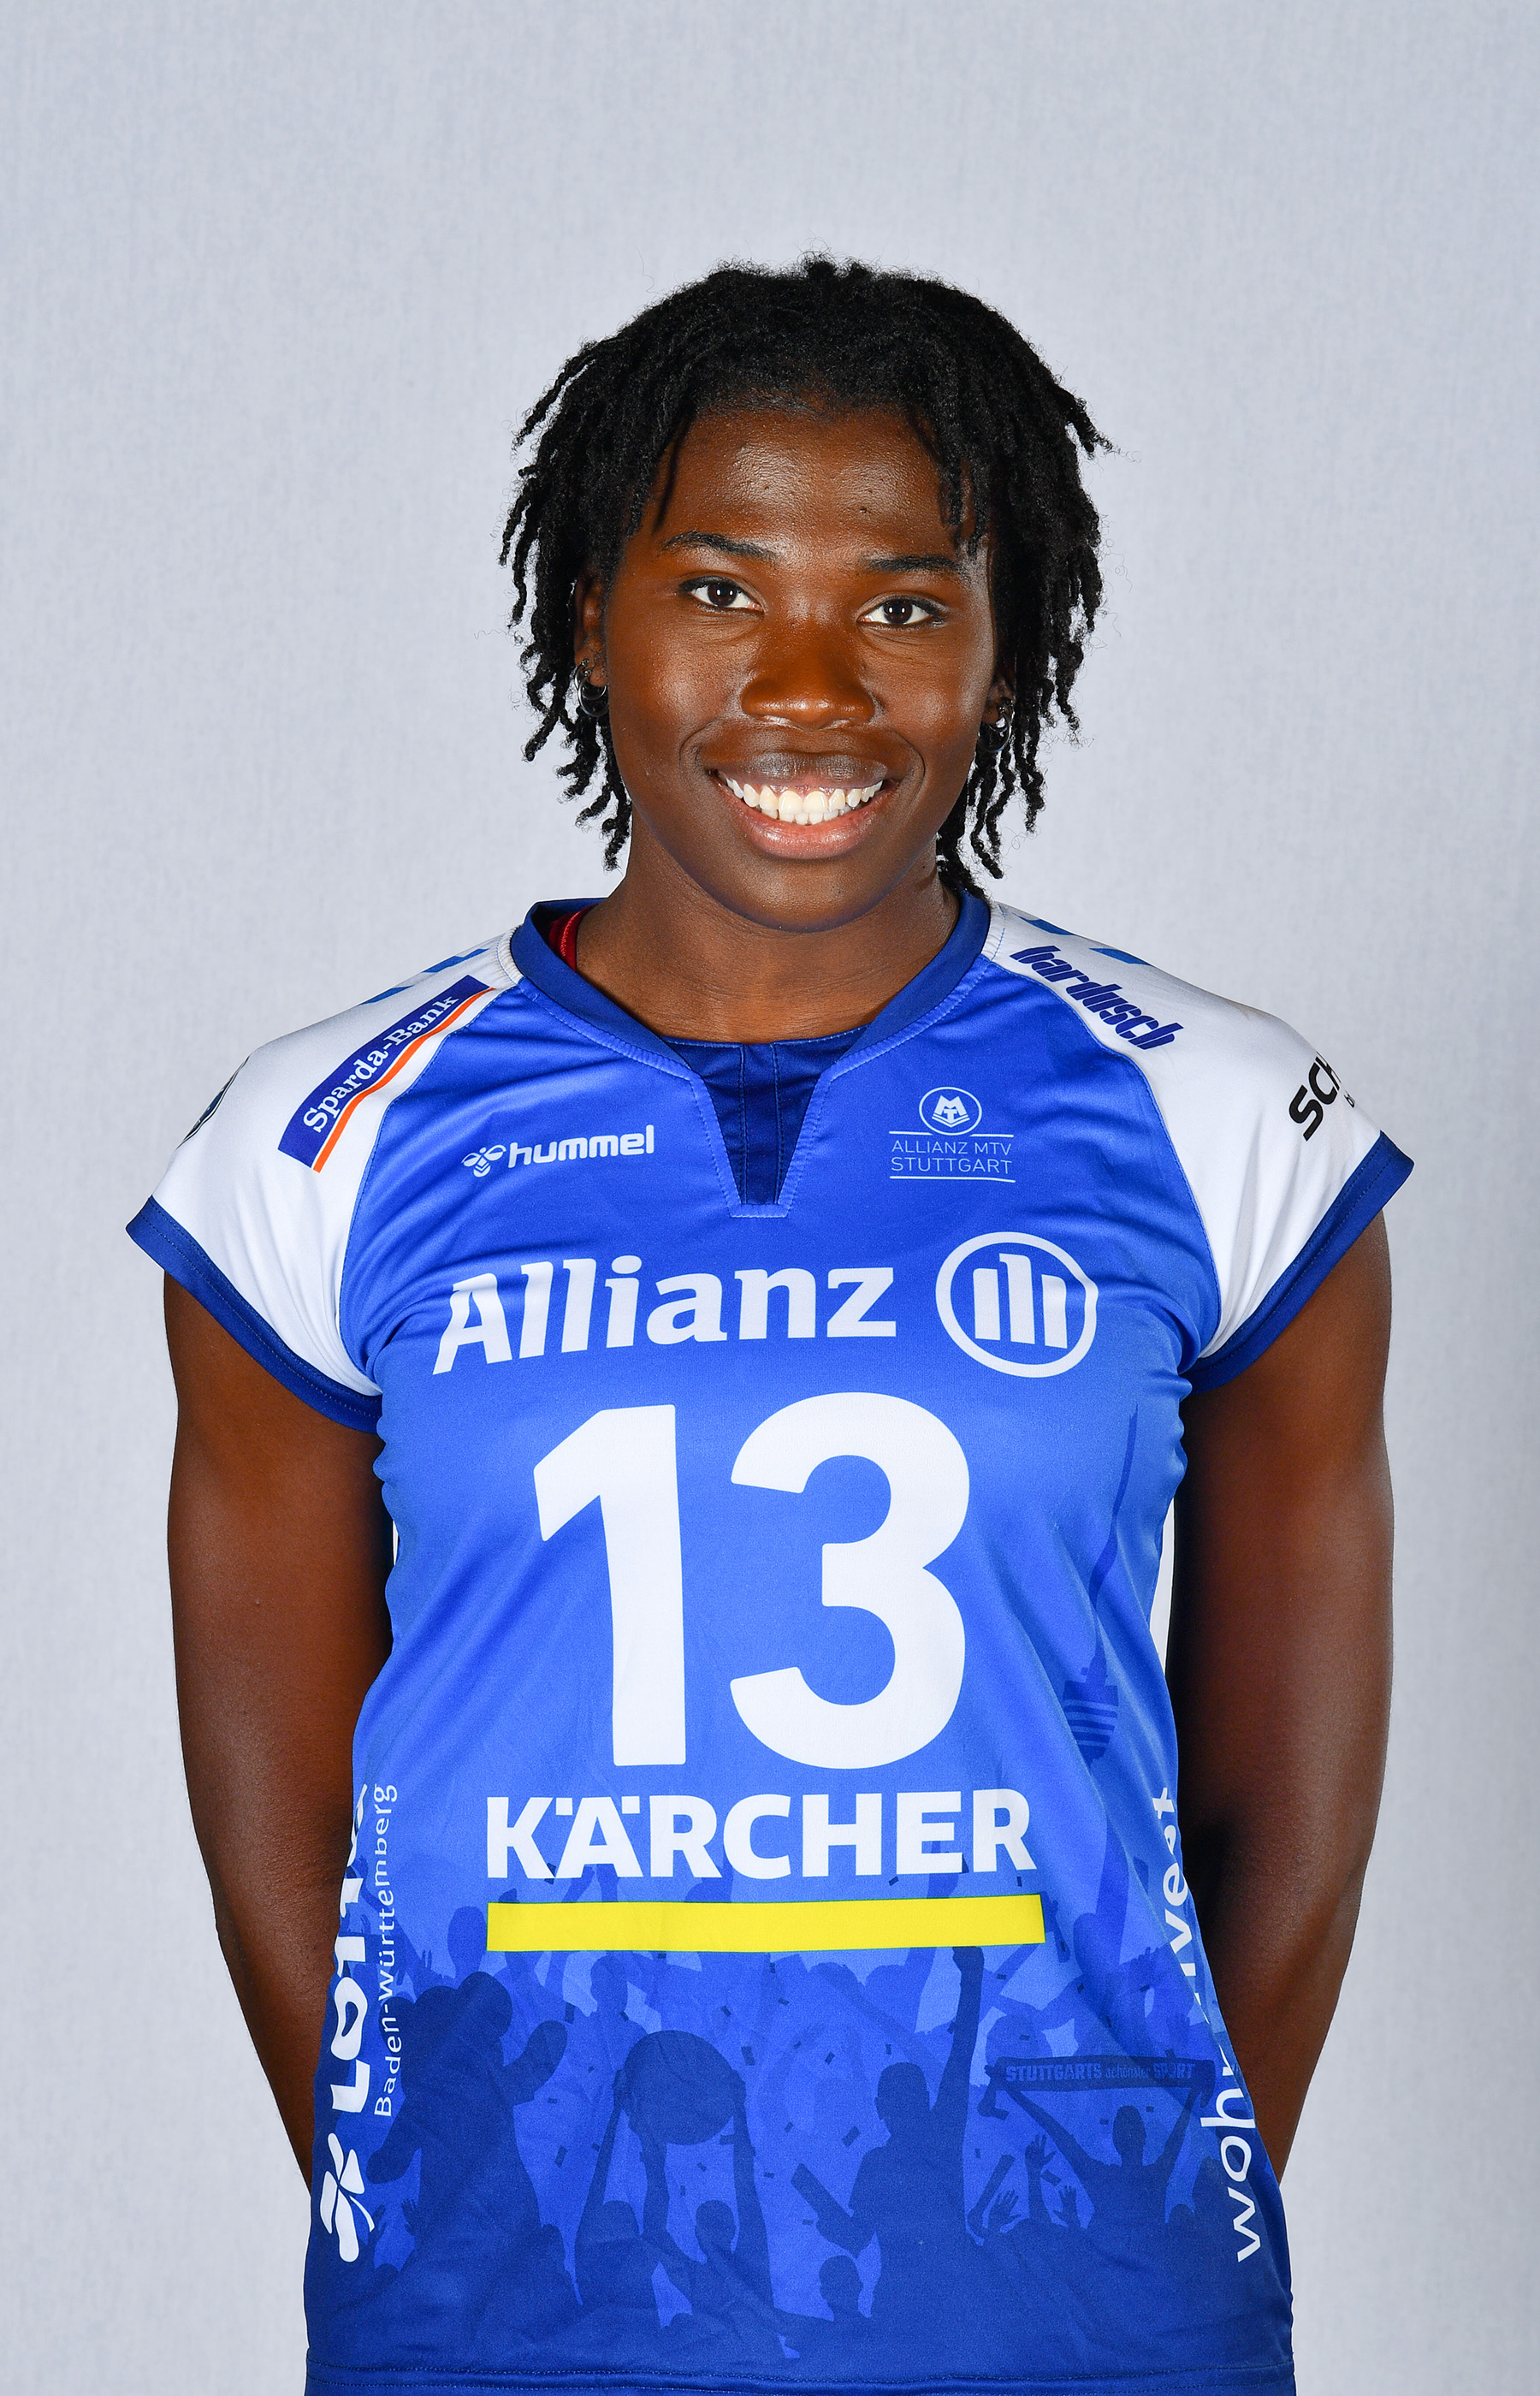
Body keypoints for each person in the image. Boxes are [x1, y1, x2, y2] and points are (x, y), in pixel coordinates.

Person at [130, 258, 1408, 2394]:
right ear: (588, 621)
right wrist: (456, 2231)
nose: (809, 688)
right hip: (506, 2329)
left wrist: (1117, 2247)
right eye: (719, 589)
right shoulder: (322, 1144)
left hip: (1078, 2331)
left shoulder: (1215, 1121)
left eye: (903, 603)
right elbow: (293, 1846)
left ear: (1008, 643)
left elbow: (1284, 1825)